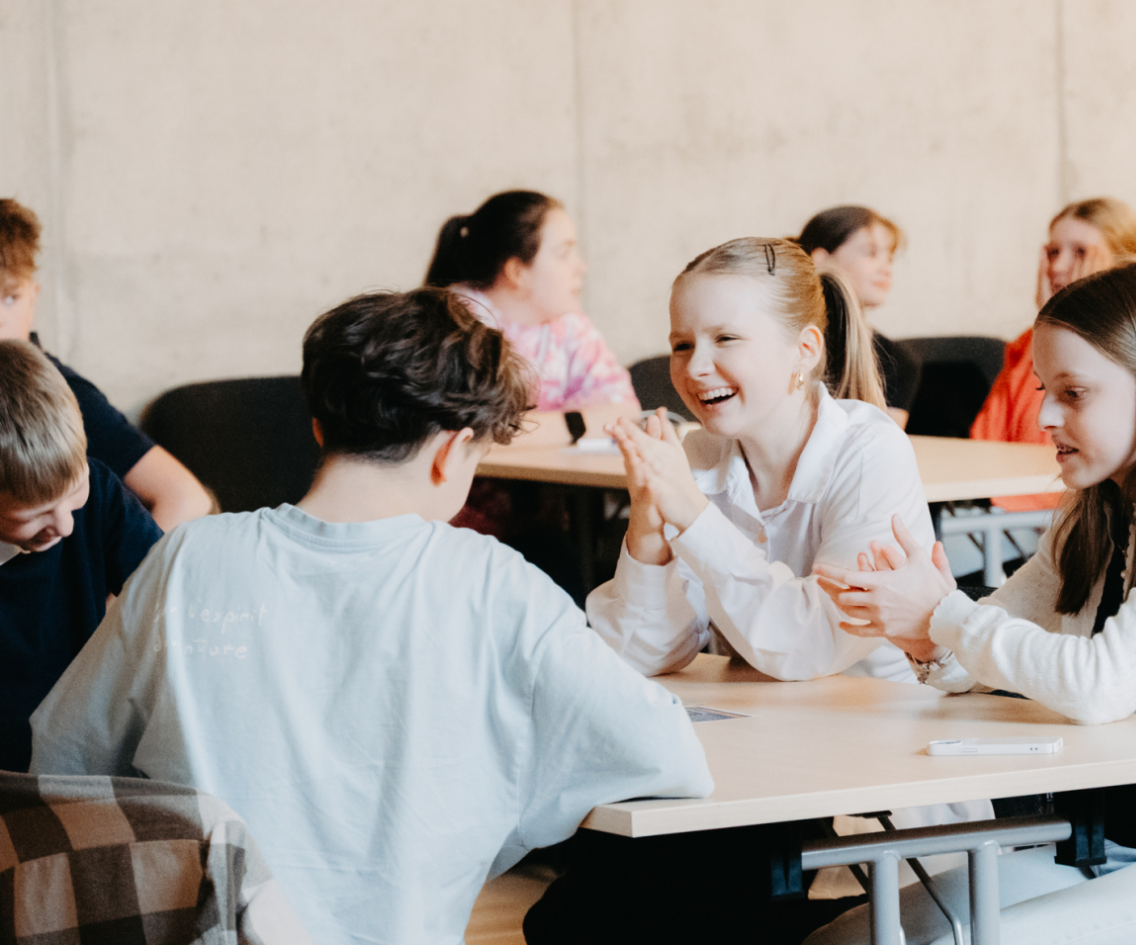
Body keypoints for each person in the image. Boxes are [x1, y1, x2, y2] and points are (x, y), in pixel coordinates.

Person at [29, 288, 713, 945]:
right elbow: (663, 751)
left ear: (320, 425)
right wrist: (496, 816)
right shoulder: (494, 585)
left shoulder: (188, 560)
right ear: (453, 451)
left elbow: (63, 756)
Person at [812, 263, 1136, 945]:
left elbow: (1100, 684)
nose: (1047, 417)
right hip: (1096, 851)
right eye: (1045, 391)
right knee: (847, 940)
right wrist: (927, 637)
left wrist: (945, 616)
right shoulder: (1098, 504)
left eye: (1074, 394)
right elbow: (991, 640)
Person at [587, 236, 934, 684]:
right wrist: (648, 521)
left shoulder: (871, 453)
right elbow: (640, 653)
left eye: (726, 338)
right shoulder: (699, 454)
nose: (694, 368)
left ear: (805, 350)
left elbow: (809, 647)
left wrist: (692, 515)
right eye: (682, 345)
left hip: (880, 728)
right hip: (762, 727)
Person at [424, 189, 640, 598]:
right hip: (451, 527)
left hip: (535, 525)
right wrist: (578, 423)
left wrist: (547, 425)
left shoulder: (566, 325)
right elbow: (477, 431)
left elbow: (623, 409)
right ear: (517, 270)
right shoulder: (456, 322)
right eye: (564, 253)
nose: (582, 267)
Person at [0, 339, 161, 771]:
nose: (66, 526)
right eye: (34, 515)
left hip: (81, 754)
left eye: (74, 494)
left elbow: (162, 588)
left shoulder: (102, 492)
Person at [1, 199, 210, 531]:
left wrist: (120, 585)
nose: (1, 320)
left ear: (34, 296)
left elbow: (185, 497)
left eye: (10, 298)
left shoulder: (61, 391)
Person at [970, 197, 1136, 510]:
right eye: (1053, 252)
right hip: (1002, 511)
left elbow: (1059, 463)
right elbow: (985, 441)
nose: (1058, 267)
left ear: (1123, 265)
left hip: (1067, 510)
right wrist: (1050, 325)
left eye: (1080, 253)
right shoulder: (1027, 343)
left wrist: (1081, 317)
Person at [795, 205, 921, 427]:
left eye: (890, 258)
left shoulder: (898, 362)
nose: (886, 268)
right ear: (821, 259)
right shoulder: (783, 335)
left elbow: (880, 450)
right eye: (871, 253)